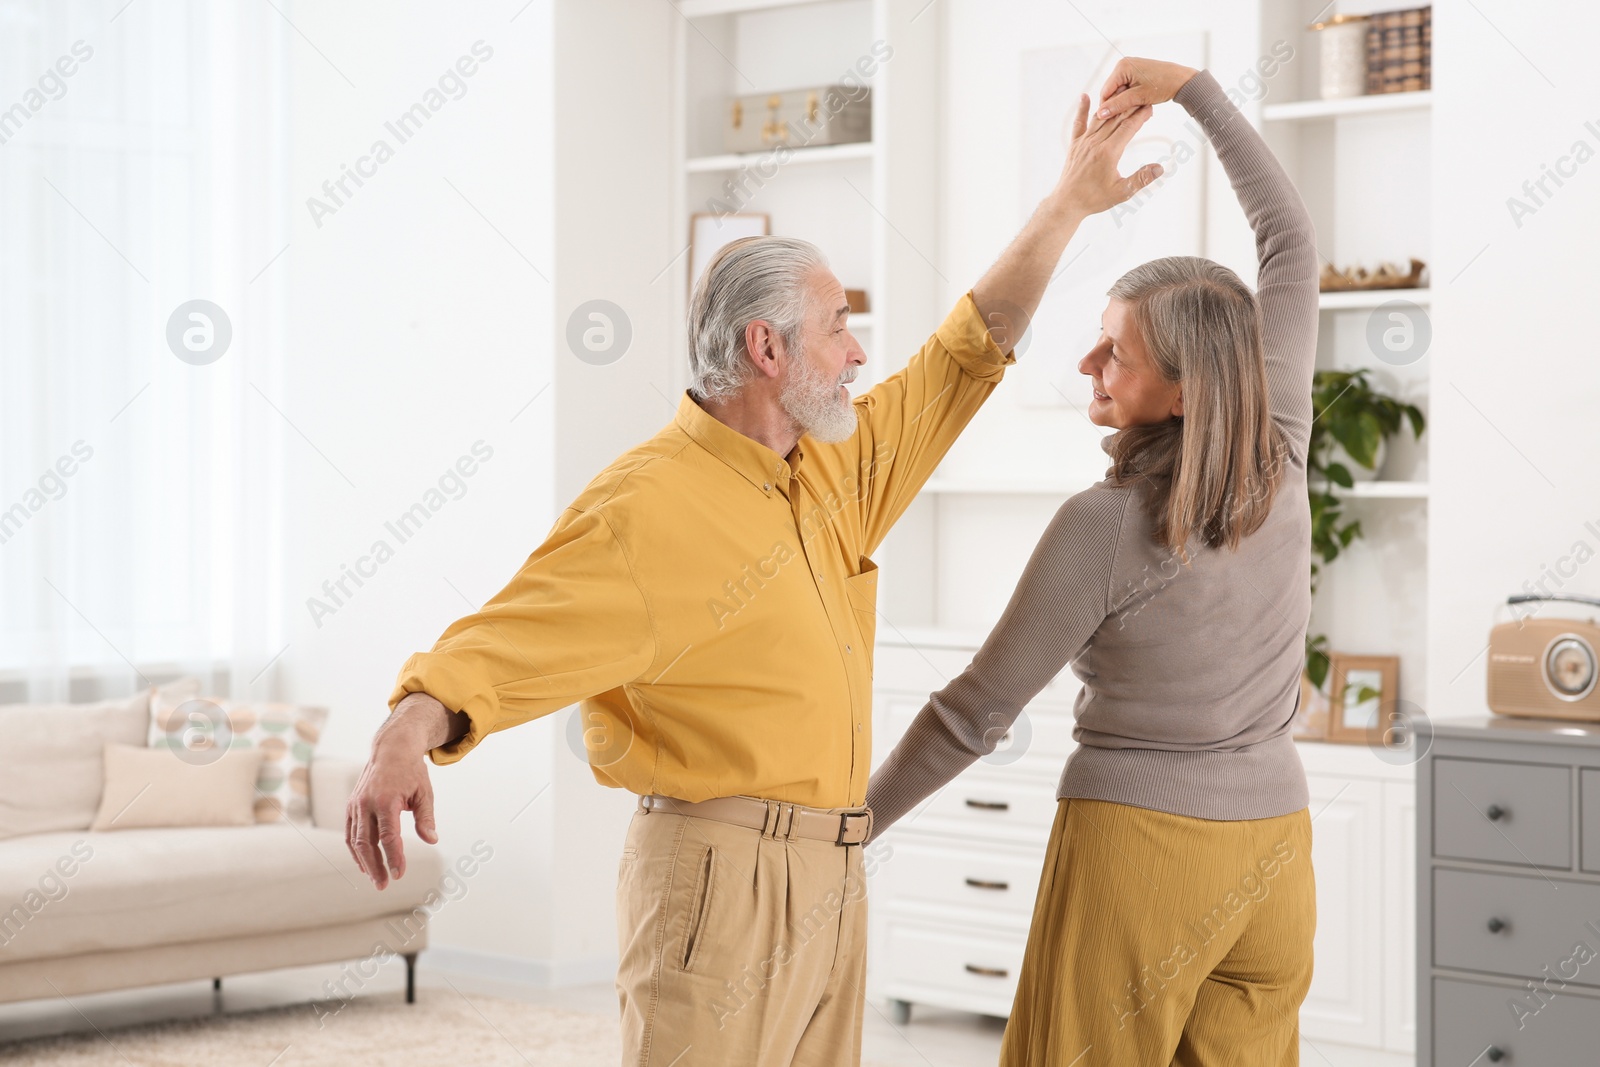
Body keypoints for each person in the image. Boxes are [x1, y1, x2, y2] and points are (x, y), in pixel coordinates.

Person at [344, 96, 1164, 1065]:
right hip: (712, 877)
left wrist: (1066, 204)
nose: (859, 353)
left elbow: (966, 350)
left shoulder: (834, 470)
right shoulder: (646, 506)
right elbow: (509, 636)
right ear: (765, 350)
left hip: (833, 869)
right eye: (838, 328)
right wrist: (407, 726)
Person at [863, 57, 1320, 1066]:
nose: (1085, 364)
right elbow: (1291, 244)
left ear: (1184, 390)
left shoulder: (1108, 524)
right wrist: (1196, 89)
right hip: (1278, 859)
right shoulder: (1280, 452)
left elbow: (972, 712)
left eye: (1114, 351)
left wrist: (851, 825)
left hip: (1141, 856)